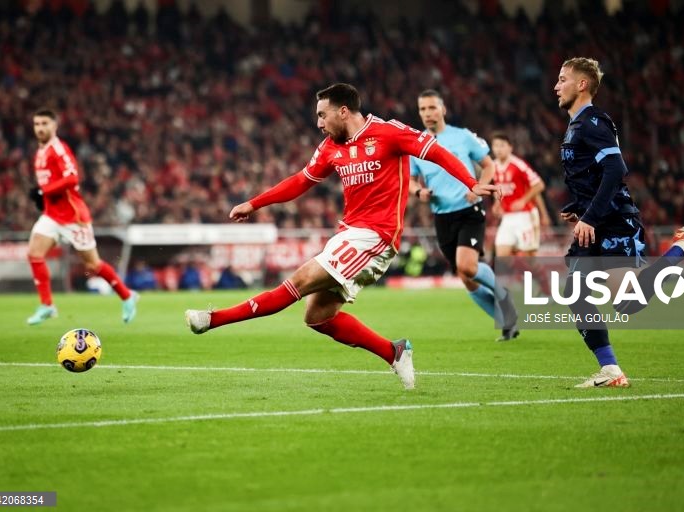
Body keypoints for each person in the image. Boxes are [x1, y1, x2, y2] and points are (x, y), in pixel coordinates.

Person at [185, 83, 498, 390]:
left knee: (299, 281)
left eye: (323, 115)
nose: (319, 123)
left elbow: (436, 153)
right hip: (348, 234)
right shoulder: (331, 147)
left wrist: (470, 182)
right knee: (317, 317)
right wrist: (254, 203)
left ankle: (212, 319)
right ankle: (395, 352)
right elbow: (300, 181)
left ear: (344, 111)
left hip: (376, 237)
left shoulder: (389, 132)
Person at [554, 58, 684, 388]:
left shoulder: (593, 122)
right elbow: (593, 176)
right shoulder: (576, 125)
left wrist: (589, 215)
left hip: (614, 221)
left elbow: (616, 170)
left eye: (563, 79)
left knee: (627, 303)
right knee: (575, 292)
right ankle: (611, 371)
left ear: (582, 85)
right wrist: (579, 207)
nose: (556, 86)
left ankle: (683, 248)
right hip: (593, 222)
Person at [409, 90, 519, 341]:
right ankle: (507, 321)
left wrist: (477, 186)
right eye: (423, 109)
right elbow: (412, 181)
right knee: (466, 278)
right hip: (441, 215)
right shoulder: (415, 145)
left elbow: (489, 165)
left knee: (466, 266)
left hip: (470, 210)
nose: (427, 113)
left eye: (432, 108)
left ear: (443, 109)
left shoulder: (463, 137)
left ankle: (504, 294)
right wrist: (420, 193)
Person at [26, 108, 137, 325]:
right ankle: (47, 305)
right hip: (51, 215)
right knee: (34, 253)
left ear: (54, 126)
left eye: (44, 124)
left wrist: (44, 191)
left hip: (73, 217)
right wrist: (44, 195)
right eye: (37, 124)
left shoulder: (59, 149)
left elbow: (72, 178)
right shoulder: (40, 151)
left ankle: (127, 295)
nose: (40, 128)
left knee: (93, 265)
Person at [490, 132, 551, 258]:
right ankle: (518, 275)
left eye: (502, 145)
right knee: (501, 255)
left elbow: (539, 185)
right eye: (495, 146)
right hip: (507, 216)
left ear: (510, 147)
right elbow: (499, 188)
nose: (498, 149)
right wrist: (497, 203)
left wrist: (523, 201)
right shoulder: (493, 166)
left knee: (529, 257)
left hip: (525, 215)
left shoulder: (519, 164)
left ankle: (540, 278)